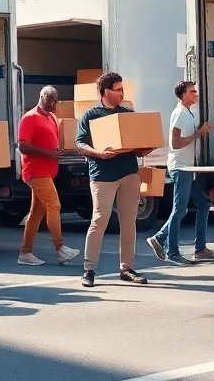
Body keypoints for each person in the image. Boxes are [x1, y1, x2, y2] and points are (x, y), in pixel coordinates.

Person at [77, 72, 152, 288]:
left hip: (129, 174)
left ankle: (126, 268)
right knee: (99, 220)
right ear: (105, 91)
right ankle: (89, 269)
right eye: (118, 89)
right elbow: (80, 145)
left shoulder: (127, 114)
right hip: (102, 176)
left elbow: (136, 146)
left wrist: (145, 148)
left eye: (122, 89)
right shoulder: (90, 115)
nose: (122, 93)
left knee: (129, 223)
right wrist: (99, 153)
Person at [147, 81, 214, 267]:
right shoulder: (179, 114)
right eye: (192, 91)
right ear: (182, 95)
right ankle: (171, 251)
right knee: (180, 209)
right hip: (180, 168)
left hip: (189, 167)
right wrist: (199, 133)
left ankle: (200, 249)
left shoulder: (189, 112)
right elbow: (175, 143)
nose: (196, 94)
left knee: (203, 203)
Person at [16, 86, 80, 266]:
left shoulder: (52, 117)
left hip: (47, 169)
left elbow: (50, 142)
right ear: (41, 97)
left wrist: (56, 152)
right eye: (51, 99)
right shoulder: (29, 118)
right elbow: (23, 146)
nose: (54, 103)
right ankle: (60, 249)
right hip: (35, 170)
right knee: (54, 204)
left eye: (56, 100)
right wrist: (48, 153)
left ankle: (25, 253)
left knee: (36, 212)